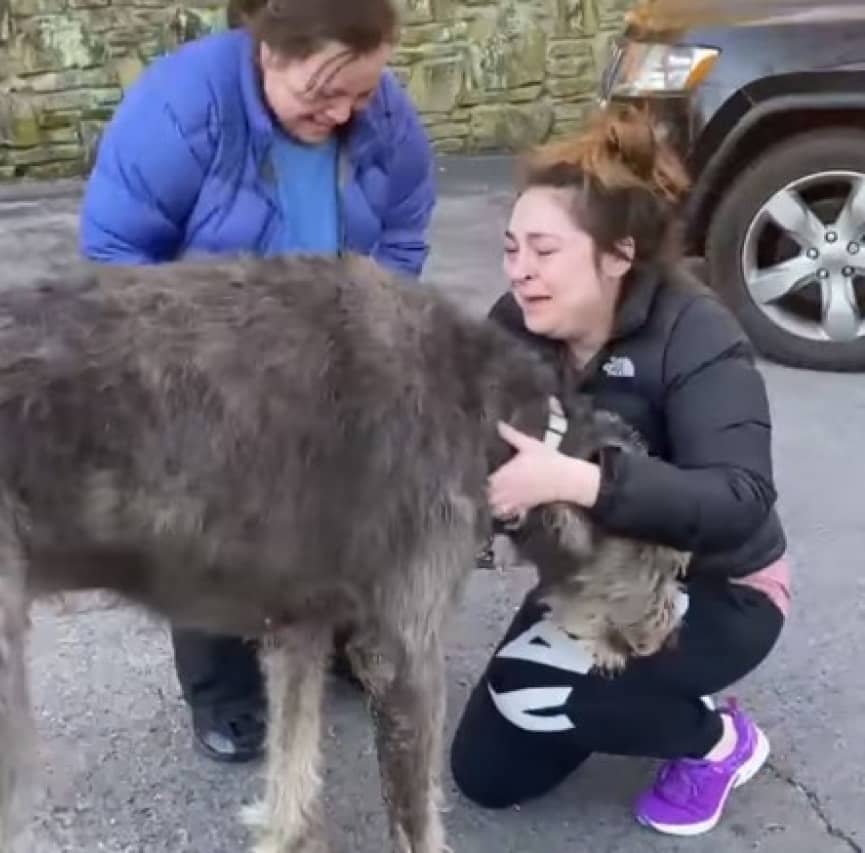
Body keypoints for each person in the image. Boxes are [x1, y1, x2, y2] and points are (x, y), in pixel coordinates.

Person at [77, 0, 438, 763]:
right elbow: (115, 254)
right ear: (268, 53)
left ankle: (339, 642)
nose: (343, 114)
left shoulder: (382, 111)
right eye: (322, 94)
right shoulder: (177, 110)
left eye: (362, 95)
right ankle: (226, 693)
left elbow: (404, 221)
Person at [449, 103, 792, 838]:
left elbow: (740, 499)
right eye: (511, 249)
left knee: (565, 690)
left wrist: (579, 480)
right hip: (596, 572)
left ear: (616, 254)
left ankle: (719, 743)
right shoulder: (514, 325)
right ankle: (626, 692)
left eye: (543, 250)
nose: (520, 271)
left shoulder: (696, 334)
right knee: (486, 774)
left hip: (721, 583)